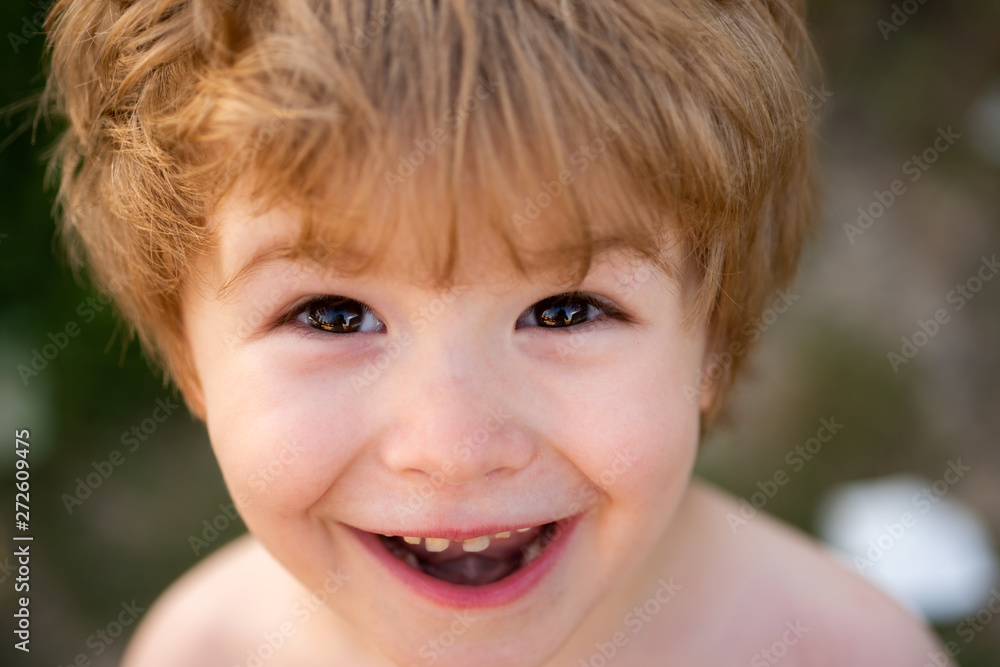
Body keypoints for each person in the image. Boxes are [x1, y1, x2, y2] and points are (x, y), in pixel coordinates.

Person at [41, 0, 945, 664]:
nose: (453, 448)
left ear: (713, 343)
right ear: (189, 357)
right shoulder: (209, 650)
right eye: (331, 315)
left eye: (565, 309)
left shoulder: (843, 649)